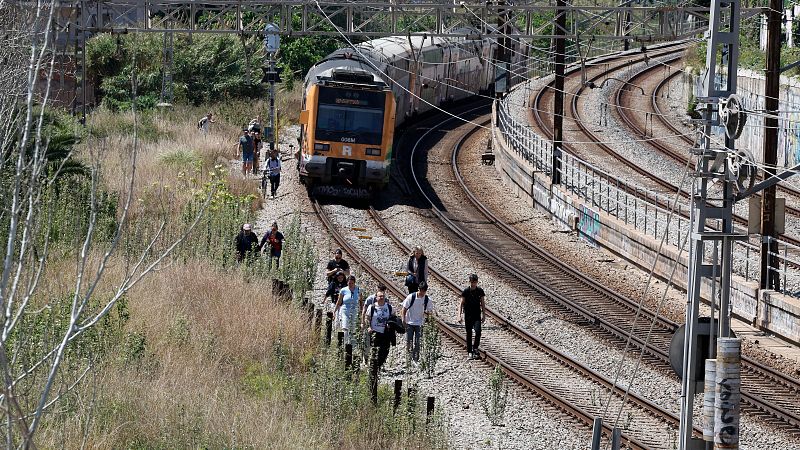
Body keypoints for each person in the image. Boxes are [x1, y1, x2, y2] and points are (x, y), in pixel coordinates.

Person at [363, 288, 393, 403]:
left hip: (385, 333)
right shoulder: (372, 307)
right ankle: (374, 367)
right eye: (380, 296)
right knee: (375, 351)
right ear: (376, 297)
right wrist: (369, 327)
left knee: (385, 351)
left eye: (383, 296)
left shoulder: (389, 307)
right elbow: (367, 318)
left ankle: (379, 365)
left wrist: (392, 325)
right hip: (375, 333)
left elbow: (393, 317)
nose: (381, 298)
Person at [401, 281, 434, 363]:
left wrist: (429, 321)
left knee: (418, 342)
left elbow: (429, 312)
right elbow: (404, 309)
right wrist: (403, 320)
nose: (422, 293)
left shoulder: (427, 299)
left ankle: (415, 358)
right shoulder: (411, 297)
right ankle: (409, 357)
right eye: (421, 290)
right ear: (419, 289)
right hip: (410, 322)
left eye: (424, 291)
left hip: (420, 323)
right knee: (409, 340)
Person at [458, 273, 485, 360]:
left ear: (477, 282)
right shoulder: (466, 291)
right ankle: (469, 351)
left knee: (478, 331)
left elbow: (483, 303)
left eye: (474, 282)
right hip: (468, 315)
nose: (472, 283)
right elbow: (461, 304)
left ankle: (475, 347)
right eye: (471, 281)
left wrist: (484, 314)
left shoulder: (480, 291)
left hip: (477, 314)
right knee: (469, 333)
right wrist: (459, 315)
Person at [333, 275, 361, 345]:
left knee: (353, 328)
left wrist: (361, 311)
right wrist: (334, 311)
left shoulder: (358, 290)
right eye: (349, 283)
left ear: (354, 283)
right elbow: (339, 302)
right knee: (345, 327)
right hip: (345, 310)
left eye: (352, 283)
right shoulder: (343, 290)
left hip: (355, 310)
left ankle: (353, 345)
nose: (350, 285)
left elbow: (361, 302)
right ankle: (344, 344)